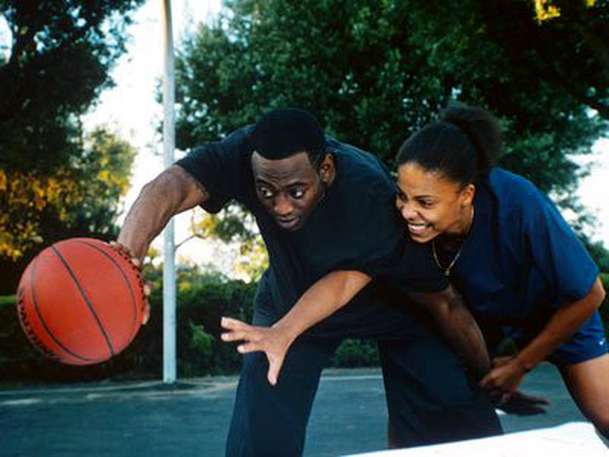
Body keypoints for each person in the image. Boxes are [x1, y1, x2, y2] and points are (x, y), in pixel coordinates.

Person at [117, 108, 501, 455]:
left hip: (391, 306)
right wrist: (126, 262)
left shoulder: (374, 200)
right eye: (266, 192)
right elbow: (169, 187)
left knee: (450, 408)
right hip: (290, 298)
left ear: (326, 170)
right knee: (262, 422)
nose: (281, 206)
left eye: (296, 192)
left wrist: (487, 376)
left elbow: (444, 303)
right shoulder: (244, 154)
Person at [392, 105, 608, 439]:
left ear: (467, 195)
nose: (408, 212)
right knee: (431, 401)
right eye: (402, 196)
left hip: (557, 311)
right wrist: (492, 381)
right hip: (484, 317)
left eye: (425, 202)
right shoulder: (412, 228)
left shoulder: (519, 203)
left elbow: (592, 293)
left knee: (605, 414)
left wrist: (521, 364)